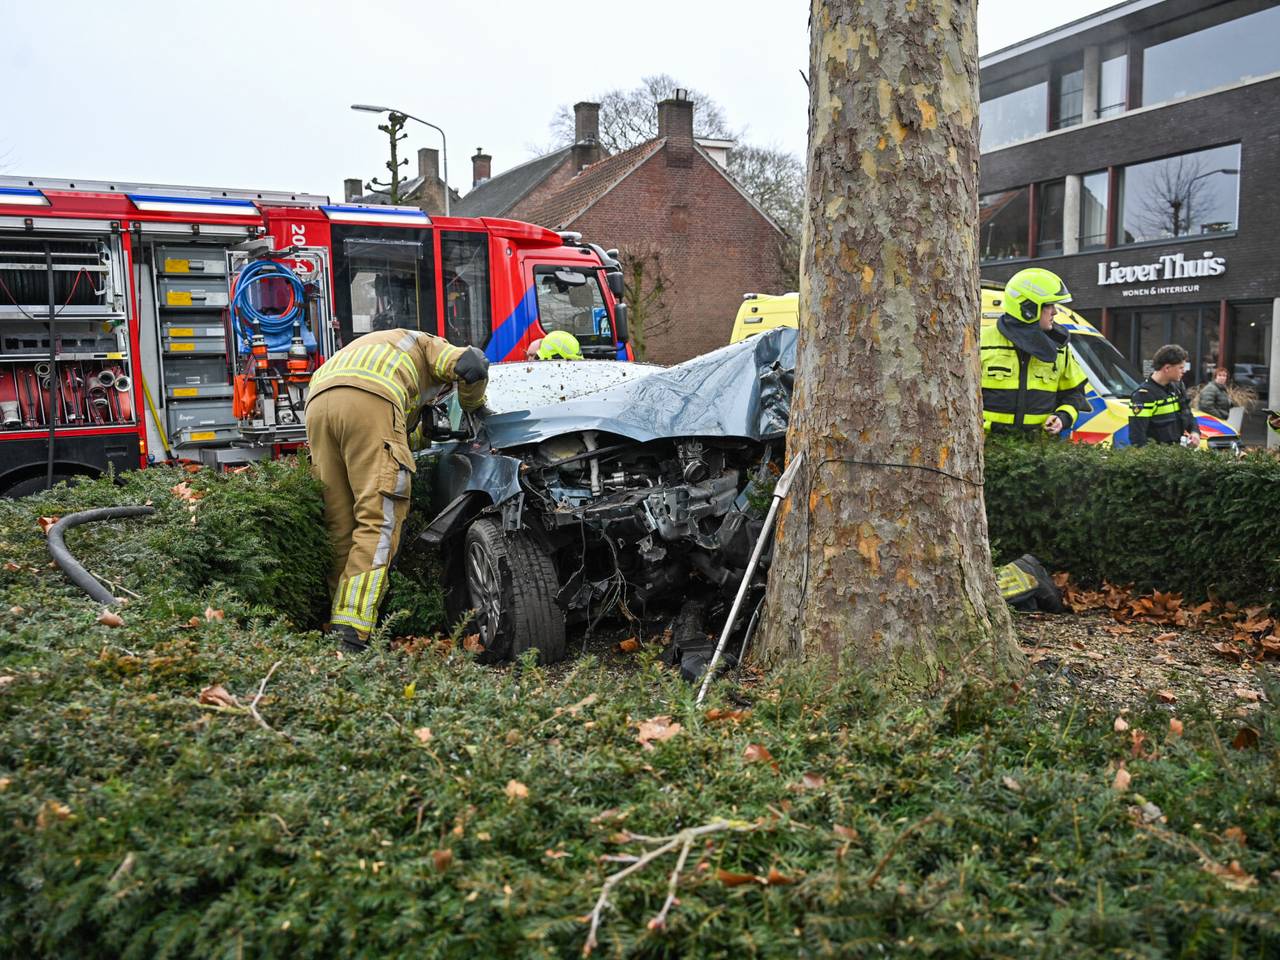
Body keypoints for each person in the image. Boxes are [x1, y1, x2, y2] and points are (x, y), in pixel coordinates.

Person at [306, 327, 489, 651]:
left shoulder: (382, 349)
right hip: (372, 399)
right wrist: (472, 405)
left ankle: (336, 624)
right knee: (378, 520)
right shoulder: (429, 344)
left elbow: (396, 430)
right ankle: (351, 634)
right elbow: (471, 364)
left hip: (319, 402)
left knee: (339, 523)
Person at [981, 268, 1089, 438]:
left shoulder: (1059, 348)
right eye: (1048, 305)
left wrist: (1062, 417)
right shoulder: (981, 342)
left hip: (1038, 450)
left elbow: (1075, 395)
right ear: (1028, 307)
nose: (1055, 312)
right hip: (989, 448)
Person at [1128, 344, 1200, 447]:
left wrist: (1195, 432)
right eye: (1180, 367)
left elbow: (1188, 414)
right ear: (1167, 368)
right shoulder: (1144, 395)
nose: (1184, 371)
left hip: (1177, 452)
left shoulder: (1178, 386)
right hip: (1157, 455)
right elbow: (1138, 438)